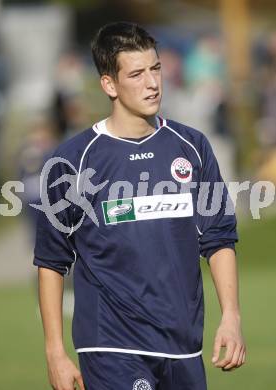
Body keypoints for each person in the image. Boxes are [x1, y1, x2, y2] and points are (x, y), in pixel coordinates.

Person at [33, 22, 246, 390]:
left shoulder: (191, 147)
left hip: (183, 345)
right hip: (109, 345)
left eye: (156, 69)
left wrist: (231, 317)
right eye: (136, 73)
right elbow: (52, 261)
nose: (152, 83)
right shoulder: (71, 161)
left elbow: (218, 238)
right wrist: (55, 352)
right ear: (109, 84)